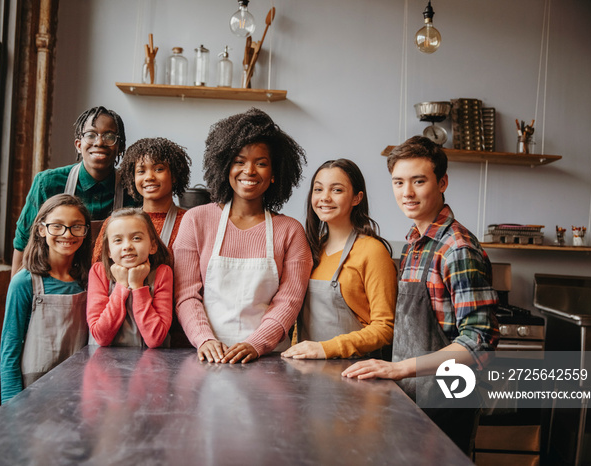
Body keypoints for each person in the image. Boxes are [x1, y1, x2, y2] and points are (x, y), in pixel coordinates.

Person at [342, 136, 499, 455]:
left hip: (447, 403)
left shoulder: (457, 249)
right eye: (398, 182)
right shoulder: (415, 243)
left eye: (418, 181)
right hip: (413, 398)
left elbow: (479, 341)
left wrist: (398, 369)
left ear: (442, 182)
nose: (407, 192)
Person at [173, 107, 312, 364]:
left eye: (261, 163)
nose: (249, 171)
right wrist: (205, 339)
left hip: (267, 359)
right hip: (207, 357)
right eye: (239, 161)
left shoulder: (290, 231)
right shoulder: (196, 220)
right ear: (225, 166)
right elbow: (186, 294)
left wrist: (255, 344)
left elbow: (290, 300)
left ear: (274, 175)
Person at [281, 159, 397, 360]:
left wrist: (326, 348)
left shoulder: (372, 251)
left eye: (336, 190)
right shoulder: (309, 249)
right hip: (307, 370)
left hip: (355, 372)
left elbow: (385, 328)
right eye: (318, 190)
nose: (324, 198)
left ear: (356, 198)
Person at [11, 106, 131, 276]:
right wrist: (16, 292)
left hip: (111, 287)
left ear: (120, 146)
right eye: (91, 135)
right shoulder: (47, 183)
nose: (99, 142)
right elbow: (23, 242)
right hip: (56, 283)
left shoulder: (132, 188)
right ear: (78, 144)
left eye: (109, 136)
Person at [0, 194, 92, 403]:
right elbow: (10, 351)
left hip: (79, 388)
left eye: (76, 226)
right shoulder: (24, 282)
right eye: (57, 226)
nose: (67, 234)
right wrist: (11, 407)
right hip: (34, 390)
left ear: (86, 231)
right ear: (41, 229)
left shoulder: (89, 280)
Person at [91, 137, 191, 262]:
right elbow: (98, 271)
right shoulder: (114, 222)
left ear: (175, 175)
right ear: (132, 178)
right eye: (141, 171)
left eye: (159, 169)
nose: (149, 177)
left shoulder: (189, 222)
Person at [87, 208, 173, 347]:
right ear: (108, 250)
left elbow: (155, 339)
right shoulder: (99, 272)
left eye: (136, 238)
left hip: (152, 364)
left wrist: (138, 285)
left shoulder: (162, 273)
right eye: (118, 240)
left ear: (152, 246)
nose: (127, 246)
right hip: (105, 363)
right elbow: (100, 337)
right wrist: (121, 285)